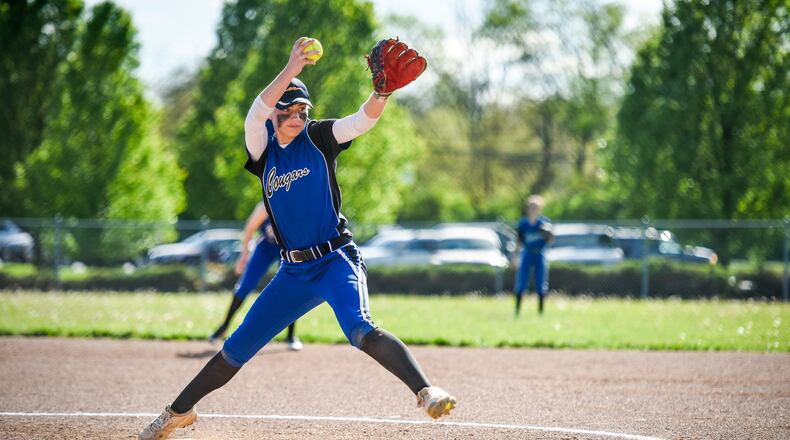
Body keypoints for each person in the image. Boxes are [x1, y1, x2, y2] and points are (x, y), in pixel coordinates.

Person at [139, 37, 455, 440]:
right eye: (288, 108)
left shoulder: (320, 139)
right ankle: (177, 412)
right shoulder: (264, 151)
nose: (296, 115)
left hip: (336, 259)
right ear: (276, 114)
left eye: (302, 108)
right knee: (234, 350)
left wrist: (381, 93)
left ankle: (426, 391)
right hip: (294, 271)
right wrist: (290, 69)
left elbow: (361, 120)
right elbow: (255, 114)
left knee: (361, 329)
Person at [210, 201, 302, 351]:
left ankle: (291, 336)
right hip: (265, 247)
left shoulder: (291, 205)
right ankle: (224, 326)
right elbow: (250, 229)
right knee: (244, 285)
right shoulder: (265, 206)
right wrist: (243, 256)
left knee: (291, 288)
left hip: (286, 247)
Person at [514, 195, 553, 316]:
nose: (533, 209)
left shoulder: (543, 224)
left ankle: (540, 312)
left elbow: (551, 241)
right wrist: (515, 257)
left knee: (541, 283)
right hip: (527, 253)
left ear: (539, 209)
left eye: (535, 207)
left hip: (539, 254)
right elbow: (519, 242)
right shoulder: (523, 224)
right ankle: (517, 311)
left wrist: (549, 234)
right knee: (521, 283)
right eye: (531, 206)